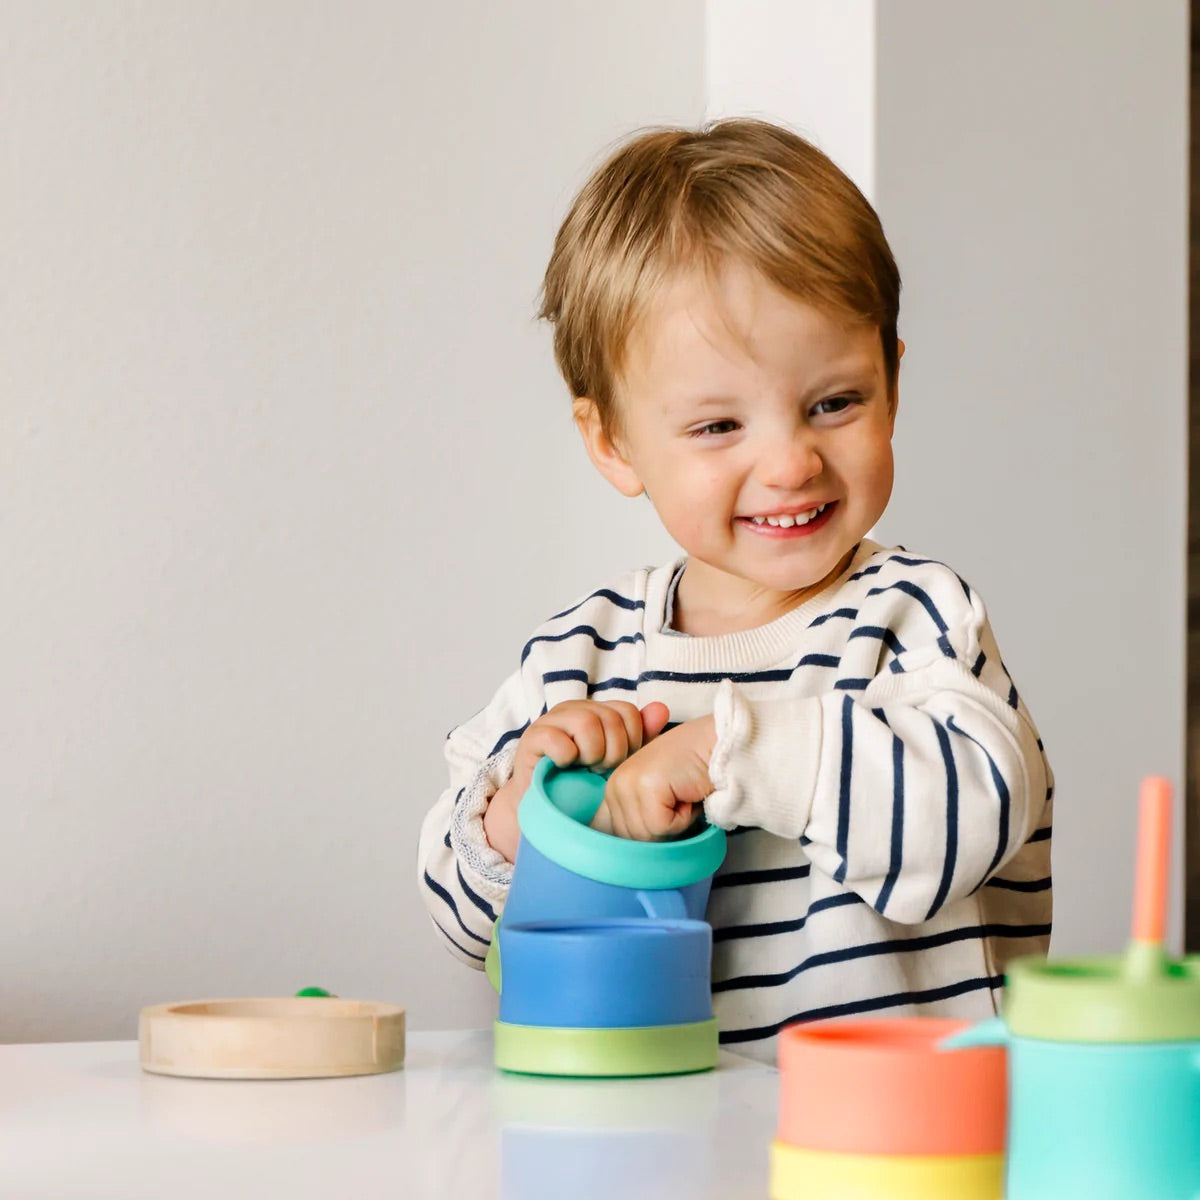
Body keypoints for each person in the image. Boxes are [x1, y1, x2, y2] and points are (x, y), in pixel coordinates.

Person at [417, 118, 1053, 1063]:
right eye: (719, 426)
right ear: (613, 443)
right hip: (667, 1145)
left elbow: (976, 815)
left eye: (835, 403)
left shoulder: (913, 616)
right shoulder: (576, 660)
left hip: (897, 1151)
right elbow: (462, 920)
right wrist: (525, 811)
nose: (792, 461)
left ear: (892, 383)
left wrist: (726, 752)